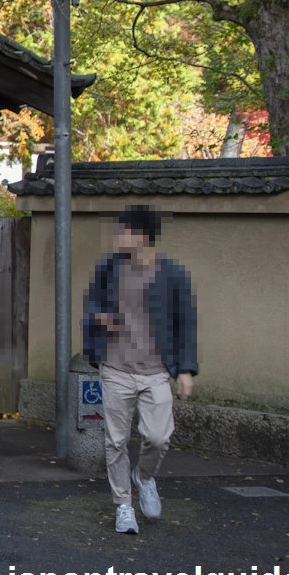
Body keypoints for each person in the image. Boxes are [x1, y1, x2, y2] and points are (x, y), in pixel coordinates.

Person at [83, 204, 197, 535]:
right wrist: (99, 319)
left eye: (125, 231)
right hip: (116, 368)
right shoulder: (108, 269)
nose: (118, 236)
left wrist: (186, 370)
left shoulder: (171, 273)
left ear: (143, 236)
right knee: (116, 440)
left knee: (158, 436)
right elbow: (91, 306)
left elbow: (185, 323)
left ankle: (144, 477)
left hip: (156, 370)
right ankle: (123, 505)